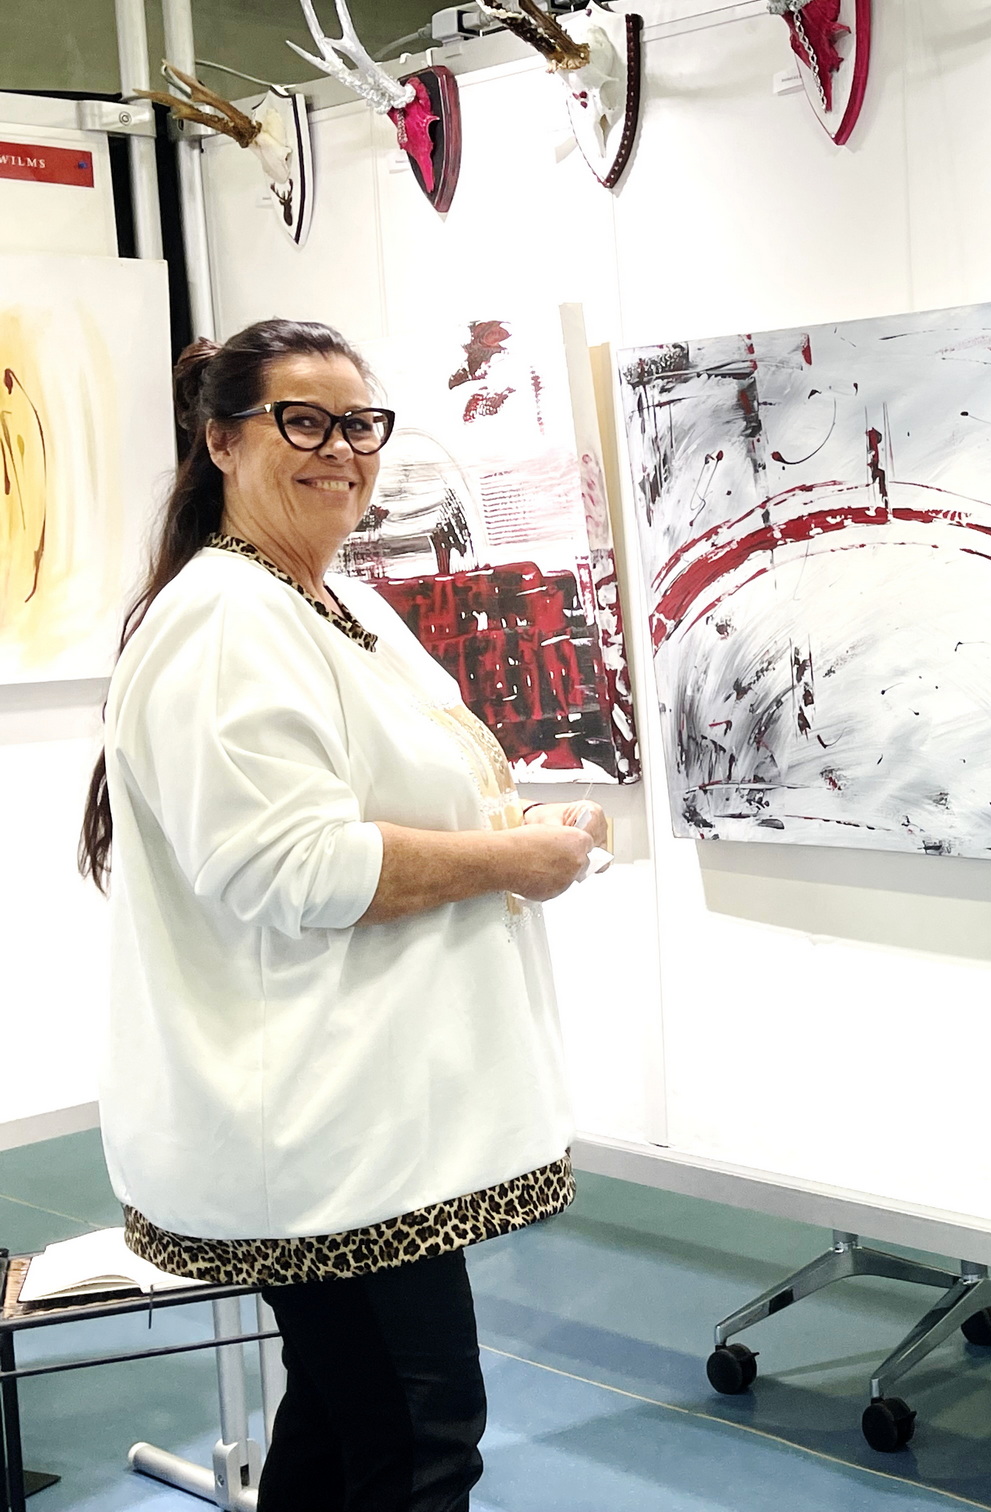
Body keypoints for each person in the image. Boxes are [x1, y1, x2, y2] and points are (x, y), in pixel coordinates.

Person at [78, 318, 607, 1512]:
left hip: (362, 1119)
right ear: (221, 440)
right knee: (420, 1438)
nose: (341, 451)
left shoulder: (328, 598)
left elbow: (376, 802)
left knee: (340, 1422)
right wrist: (512, 861)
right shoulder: (228, 617)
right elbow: (292, 867)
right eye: (302, 422)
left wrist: (521, 828)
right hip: (323, 1136)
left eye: (359, 424)